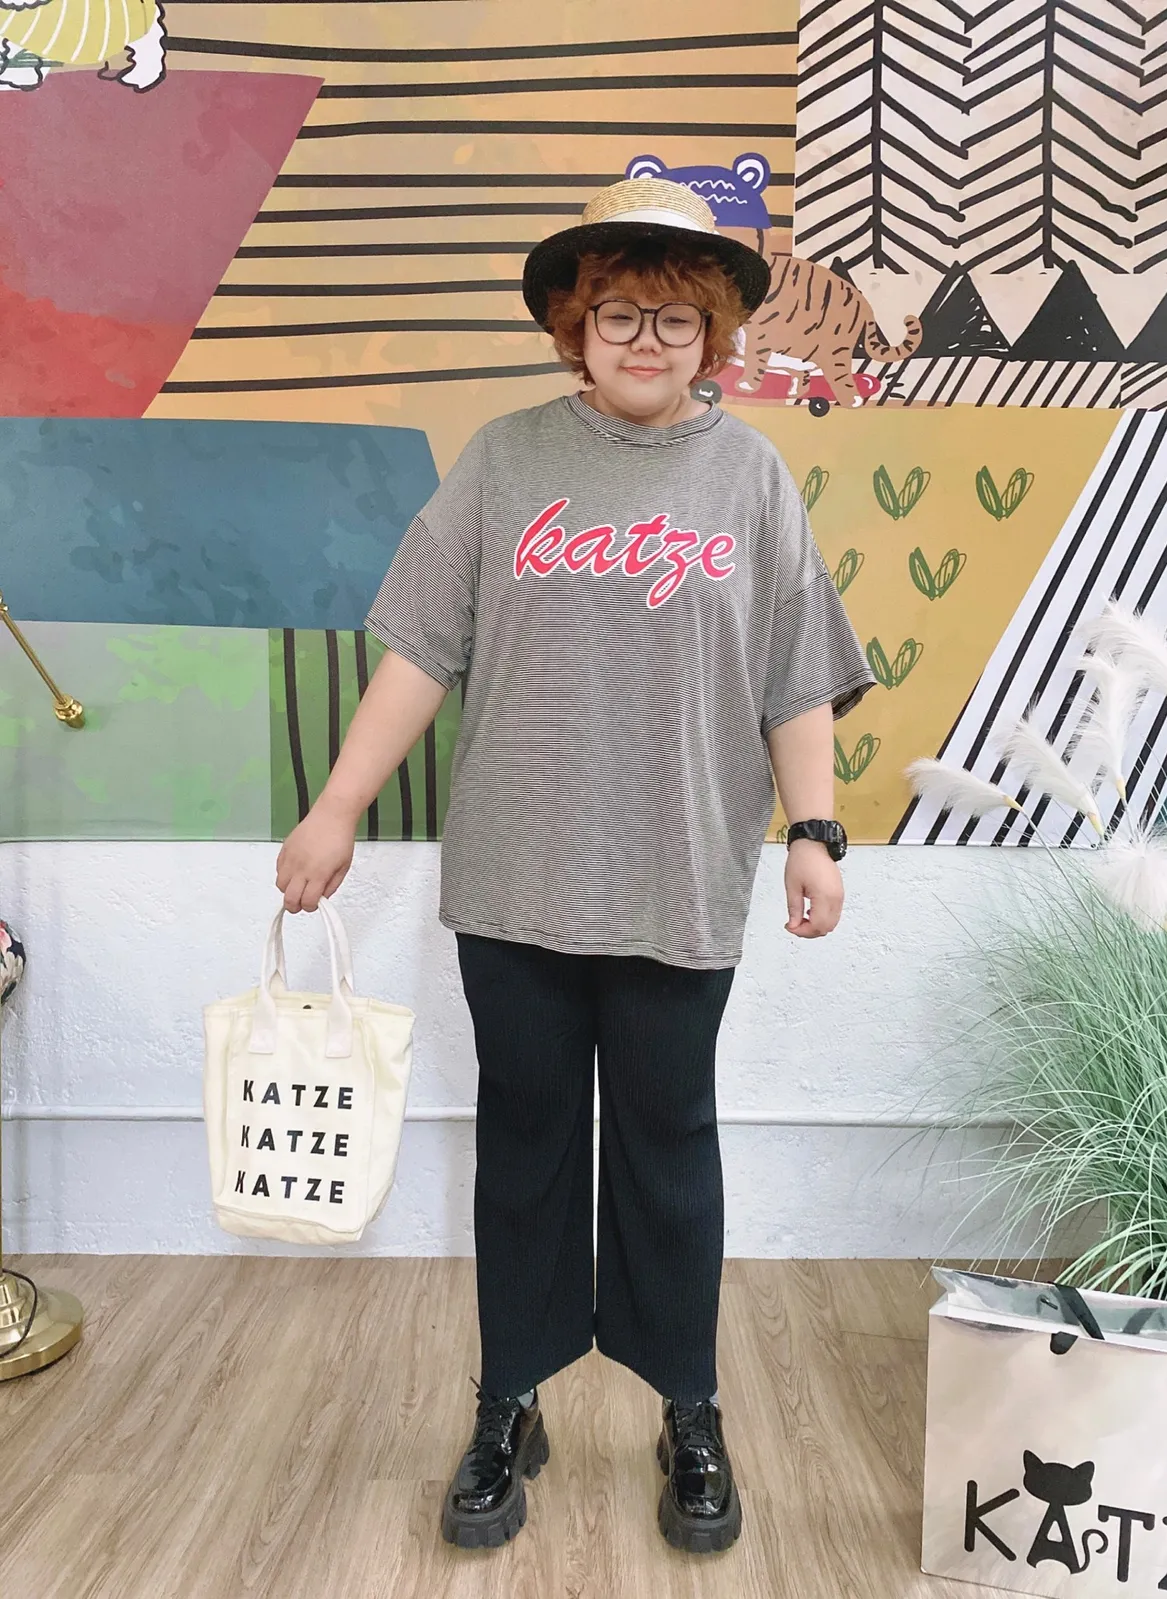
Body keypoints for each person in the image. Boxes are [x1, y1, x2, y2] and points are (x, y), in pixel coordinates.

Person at [274, 176, 877, 1557]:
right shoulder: (504, 461)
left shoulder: (751, 477)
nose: (647, 340)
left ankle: (689, 1405)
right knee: (528, 1139)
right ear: (575, 328)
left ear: (712, 332)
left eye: (675, 317)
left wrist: (816, 828)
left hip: (680, 873)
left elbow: (794, 670)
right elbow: (420, 649)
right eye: (619, 315)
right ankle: (509, 1399)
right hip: (518, 876)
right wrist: (336, 807)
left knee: (671, 1145)